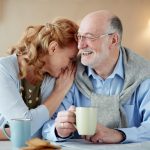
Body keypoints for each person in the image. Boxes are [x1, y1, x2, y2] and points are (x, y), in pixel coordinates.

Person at [42, 10, 150, 143]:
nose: (80, 46)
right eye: (79, 37)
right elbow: (46, 127)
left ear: (113, 40)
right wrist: (59, 130)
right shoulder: (70, 72)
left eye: (89, 37)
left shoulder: (144, 74)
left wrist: (119, 135)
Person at [0, 18, 79, 140]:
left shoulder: (52, 77)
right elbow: (26, 127)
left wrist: (13, 131)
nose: (70, 67)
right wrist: (60, 92)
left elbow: (43, 130)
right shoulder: (3, 69)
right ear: (53, 48)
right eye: (70, 59)